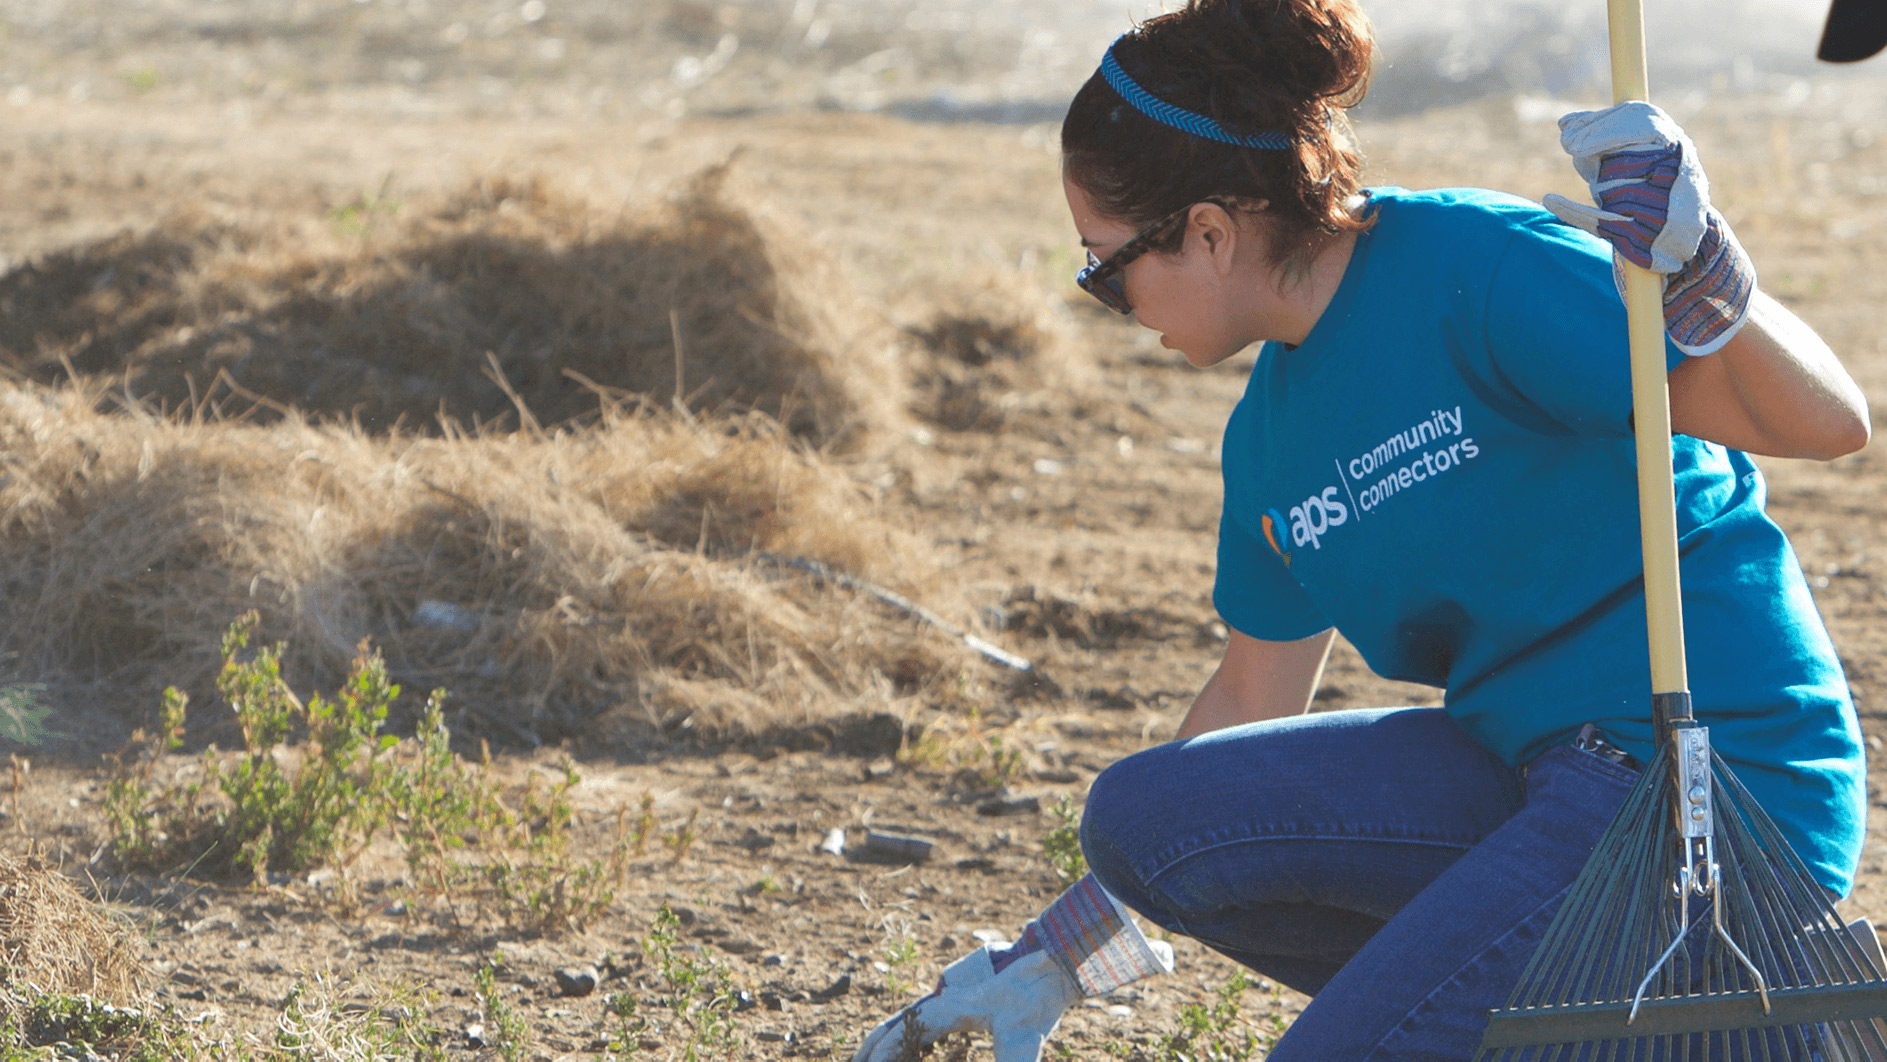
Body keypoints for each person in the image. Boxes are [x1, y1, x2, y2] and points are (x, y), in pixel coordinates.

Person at [853, 0, 1873, 1058]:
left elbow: (1828, 424)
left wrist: (1704, 269)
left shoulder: (1477, 267)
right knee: (1142, 820)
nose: (1109, 300)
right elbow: (1249, 700)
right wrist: (1057, 953)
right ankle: (1601, 1023)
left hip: (1697, 788)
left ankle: (1709, 1005)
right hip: (1530, 775)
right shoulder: (1268, 442)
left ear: (1209, 232)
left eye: (1107, 269)